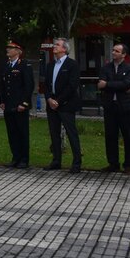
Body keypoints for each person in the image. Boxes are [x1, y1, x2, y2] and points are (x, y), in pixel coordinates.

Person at [42, 37, 82, 173]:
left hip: (66, 104)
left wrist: (58, 101)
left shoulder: (72, 64)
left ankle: (76, 163)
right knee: (54, 134)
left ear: (64, 49)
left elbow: (72, 85)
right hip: (51, 104)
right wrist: (49, 99)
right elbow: (46, 84)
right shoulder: (50, 65)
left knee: (71, 133)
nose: (55, 46)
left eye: (57, 45)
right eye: (55, 44)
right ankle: (56, 161)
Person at [97, 43, 130, 174]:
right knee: (110, 136)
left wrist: (108, 84)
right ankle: (113, 164)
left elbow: (127, 83)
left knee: (128, 136)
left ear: (124, 54)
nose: (113, 52)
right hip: (110, 107)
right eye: (113, 50)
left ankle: (129, 165)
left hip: (126, 108)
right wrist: (120, 86)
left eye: (117, 51)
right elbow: (101, 84)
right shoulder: (106, 68)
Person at [0, 41, 33, 169]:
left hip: (19, 105)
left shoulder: (24, 65)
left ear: (18, 51)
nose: (8, 50)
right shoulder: (6, 65)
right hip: (8, 105)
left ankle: (24, 159)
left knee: (22, 132)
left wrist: (24, 103)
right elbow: (2, 85)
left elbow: (28, 86)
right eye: (7, 48)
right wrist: (2, 101)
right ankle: (15, 157)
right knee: (12, 133)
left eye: (11, 48)